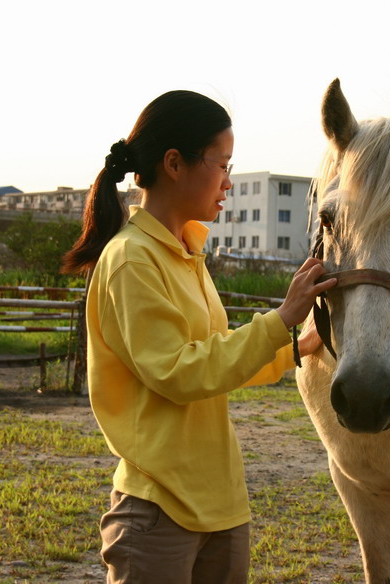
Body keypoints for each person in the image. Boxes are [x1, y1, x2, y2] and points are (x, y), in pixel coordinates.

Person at [61, 90, 336, 583]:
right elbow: (178, 372)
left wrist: (295, 346)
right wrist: (279, 321)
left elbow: (217, 359)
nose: (228, 181)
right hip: (159, 511)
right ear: (174, 163)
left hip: (222, 505)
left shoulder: (185, 252)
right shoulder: (131, 260)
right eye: (222, 164)